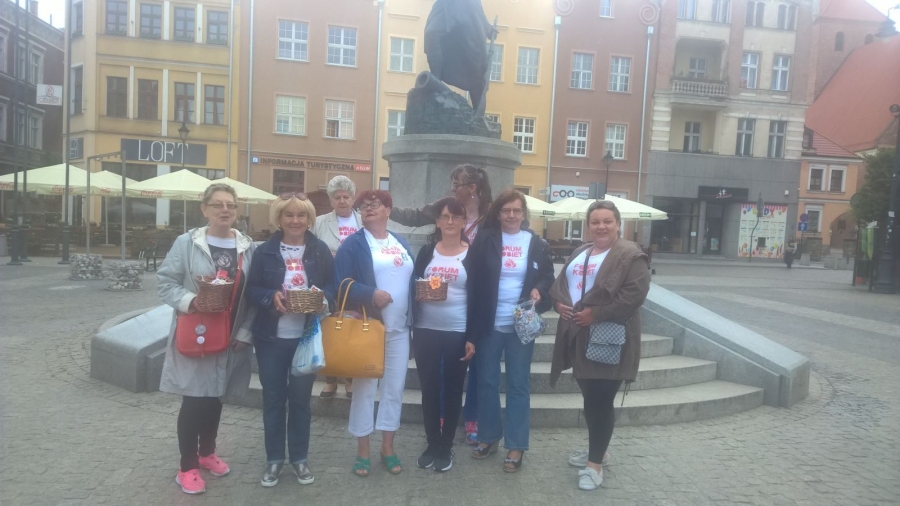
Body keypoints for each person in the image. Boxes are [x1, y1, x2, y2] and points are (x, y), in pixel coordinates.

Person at [157, 183, 257, 495]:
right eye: (217, 205)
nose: (225, 210)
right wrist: (192, 301)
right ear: (204, 209)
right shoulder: (187, 243)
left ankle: (207, 453)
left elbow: (252, 294)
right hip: (198, 331)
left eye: (230, 205)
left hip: (231, 332)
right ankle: (187, 466)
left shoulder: (247, 246)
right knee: (194, 399)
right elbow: (165, 282)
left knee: (215, 397)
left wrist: (246, 331)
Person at [549, 200, 650, 491]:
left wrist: (596, 314)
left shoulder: (631, 255)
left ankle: (595, 466)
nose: (601, 226)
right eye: (595, 222)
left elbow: (634, 295)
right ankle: (599, 450)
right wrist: (558, 304)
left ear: (618, 224)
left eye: (607, 221)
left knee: (601, 400)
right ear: (588, 225)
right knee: (590, 397)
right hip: (579, 335)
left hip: (610, 337)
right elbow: (563, 285)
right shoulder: (581, 252)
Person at [391, 163, 491, 444]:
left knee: (469, 373)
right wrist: (388, 210)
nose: (452, 189)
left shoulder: (491, 214)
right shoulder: (434, 232)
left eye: (456, 184)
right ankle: (440, 424)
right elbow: (415, 216)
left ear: (472, 188)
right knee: (436, 380)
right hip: (432, 320)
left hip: (468, 306)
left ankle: (470, 418)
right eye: (445, 217)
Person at [246, 192, 336, 487]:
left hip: (305, 338)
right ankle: (274, 459)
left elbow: (332, 285)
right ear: (279, 218)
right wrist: (269, 296)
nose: (295, 220)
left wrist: (322, 298)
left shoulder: (319, 250)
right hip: (271, 338)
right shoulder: (265, 251)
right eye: (289, 214)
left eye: (301, 215)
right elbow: (251, 288)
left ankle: (299, 458)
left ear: (309, 219)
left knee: (300, 401)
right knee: (273, 400)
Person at [467, 188, 554, 472]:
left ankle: (516, 445)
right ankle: (489, 436)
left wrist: (539, 290)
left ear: (524, 214)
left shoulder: (536, 243)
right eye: (507, 210)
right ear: (498, 213)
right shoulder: (485, 239)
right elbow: (473, 279)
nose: (512, 215)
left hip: (520, 327)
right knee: (487, 382)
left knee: (518, 384)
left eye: (517, 210)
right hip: (489, 324)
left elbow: (547, 277)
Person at [334, 190, 415, 477]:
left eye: (375, 204)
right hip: (369, 328)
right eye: (363, 206)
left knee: (394, 390)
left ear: (388, 210)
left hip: (399, 329)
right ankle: (363, 451)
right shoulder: (352, 244)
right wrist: (370, 294)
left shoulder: (400, 241)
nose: (368, 208)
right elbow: (339, 284)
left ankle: (388, 448)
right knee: (365, 391)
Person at [412, 196, 477, 473]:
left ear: (464, 222)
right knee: (429, 389)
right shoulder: (427, 251)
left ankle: (446, 445)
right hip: (426, 329)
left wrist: (473, 336)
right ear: (437, 221)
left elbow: (480, 298)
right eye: (445, 216)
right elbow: (414, 283)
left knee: (452, 389)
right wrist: (422, 290)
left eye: (456, 217)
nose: (450, 221)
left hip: (457, 331)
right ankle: (431, 443)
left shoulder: (472, 254)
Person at [312, 175, 362, 399]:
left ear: (353, 199)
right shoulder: (319, 222)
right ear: (331, 200)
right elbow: (312, 249)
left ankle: (350, 379)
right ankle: (330, 379)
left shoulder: (363, 221)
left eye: (346, 196)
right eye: (337, 197)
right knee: (329, 331)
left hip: (355, 285)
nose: (342, 201)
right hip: (329, 283)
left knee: (352, 331)